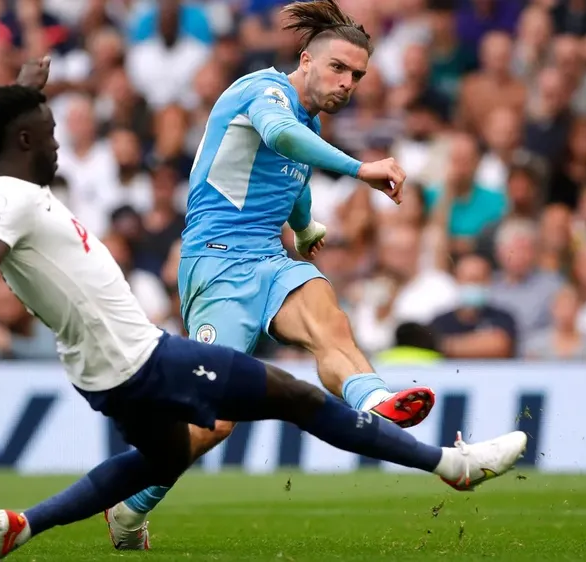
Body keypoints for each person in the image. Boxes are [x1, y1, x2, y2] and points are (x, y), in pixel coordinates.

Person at [0, 83, 528, 562]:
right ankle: (454, 467)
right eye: (50, 134)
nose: (60, 146)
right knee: (297, 397)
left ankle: (20, 527)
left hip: (101, 376)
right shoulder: (12, 202)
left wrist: (25, 90)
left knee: (161, 461)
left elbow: (6, 147)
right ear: (26, 139)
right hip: (145, 358)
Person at [108, 0, 439, 547]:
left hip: (270, 259)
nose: (347, 83)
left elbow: (292, 172)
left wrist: (305, 228)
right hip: (216, 264)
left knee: (327, 318)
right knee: (214, 420)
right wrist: (361, 169)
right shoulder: (262, 92)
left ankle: (374, 401)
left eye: (357, 75)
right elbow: (284, 140)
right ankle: (128, 505)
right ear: (305, 59)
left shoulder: (307, 117)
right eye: (338, 68)